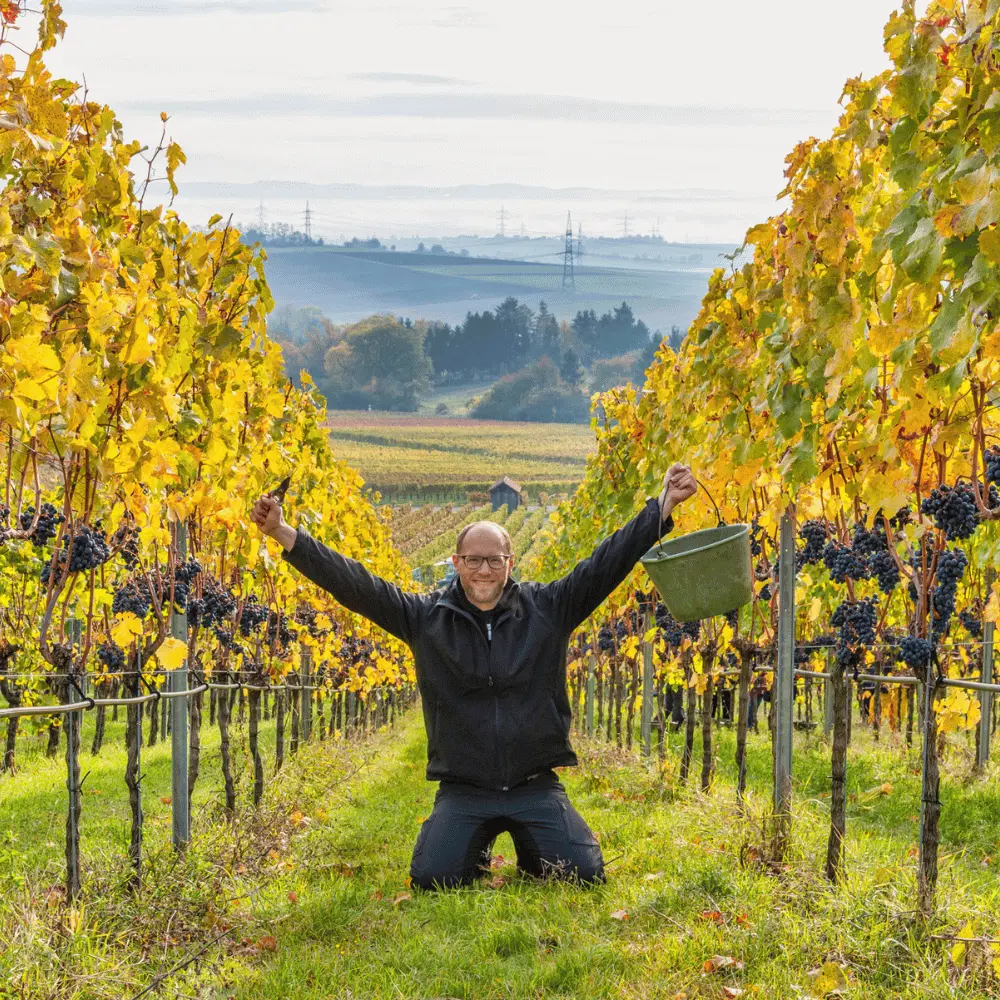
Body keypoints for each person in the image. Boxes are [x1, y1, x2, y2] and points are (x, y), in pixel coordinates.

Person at [251, 463, 697, 890]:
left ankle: (531, 845)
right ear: (456, 561)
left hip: (534, 785)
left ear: (510, 561)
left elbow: (606, 563)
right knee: (433, 878)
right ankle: (473, 844)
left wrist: (663, 506)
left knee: (581, 873)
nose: (484, 570)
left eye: (494, 560)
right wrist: (284, 534)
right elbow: (356, 585)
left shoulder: (549, 608)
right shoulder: (423, 618)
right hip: (464, 789)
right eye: (473, 560)